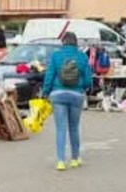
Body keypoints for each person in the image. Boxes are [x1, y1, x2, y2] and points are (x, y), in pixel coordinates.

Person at [42, 32, 92, 171]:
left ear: (63, 42)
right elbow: (88, 78)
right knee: (74, 127)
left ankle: (61, 161)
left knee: (60, 129)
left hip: (58, 94)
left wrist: (46, 91)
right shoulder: (82, 56)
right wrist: (85, 87)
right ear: (76, 43)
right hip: (76, 94)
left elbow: (49, 74)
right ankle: (75, 159)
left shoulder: (56, 56)